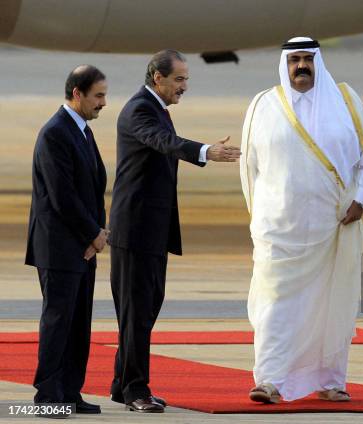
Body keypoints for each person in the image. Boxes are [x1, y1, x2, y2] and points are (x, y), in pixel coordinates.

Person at [241, 37, 363, 404]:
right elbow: (250, 170)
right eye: (294, 59)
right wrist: (259, 220)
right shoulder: (263, 105)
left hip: (332, 226)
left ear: (318, 61)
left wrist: (361, 200)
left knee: (330, 304)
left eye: (307, 59)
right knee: (275, 304)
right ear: (285, 63)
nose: (300, 66)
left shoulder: (346, 103)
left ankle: (331, 380)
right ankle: (270, 380)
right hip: (278, 229)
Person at [108, 49, 240, 413]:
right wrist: (205, 151)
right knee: (137, 313)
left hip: (150, 231)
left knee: (144, 310)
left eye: (186, 80)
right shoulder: (140, 110)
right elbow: (164, 143)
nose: (185, 87)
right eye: (179, 79)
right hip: (135, 231)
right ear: (158, 78)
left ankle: (122, 385)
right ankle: (136, 390)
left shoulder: (155, 108)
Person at [25, 65, 109, 415]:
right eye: (98, 95)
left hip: (83, 247)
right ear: (78, 93)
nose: (103, 102)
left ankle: (70, 393)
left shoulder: (82, 131)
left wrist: (97, 236)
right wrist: (93, 234)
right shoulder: (55, 133)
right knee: (59, 320)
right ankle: (47, 396)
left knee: (78, 321)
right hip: (59, 247)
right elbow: (62, 196)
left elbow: (92, 189)